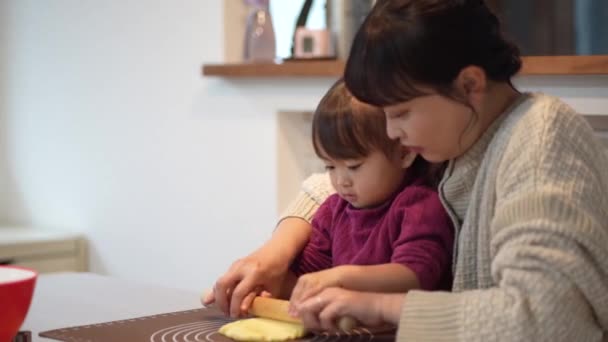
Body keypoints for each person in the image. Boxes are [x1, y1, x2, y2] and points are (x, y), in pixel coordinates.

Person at [205, 0, 608, 340]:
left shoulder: (539, 138)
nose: (390, 131)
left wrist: (381, 305)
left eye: (399, 112)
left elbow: (552, 318)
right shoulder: (455, 139)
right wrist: (273, 257)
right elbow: (324, 189)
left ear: (469, 85)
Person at [204, 79, 454, 320]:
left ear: (404, 154)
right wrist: (257, 289)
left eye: (354, 166)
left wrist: (341, 278)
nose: (341, 181)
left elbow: (414, 275)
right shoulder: (333, 210)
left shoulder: (420, 205)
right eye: (330, 166)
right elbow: (307, 278)